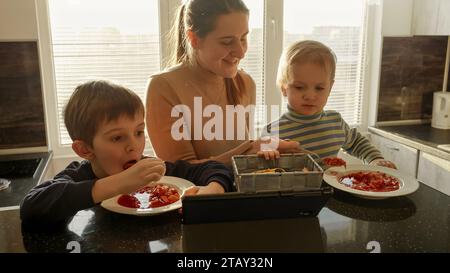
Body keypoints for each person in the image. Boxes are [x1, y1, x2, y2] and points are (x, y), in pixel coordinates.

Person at [20, 80, 234, 227]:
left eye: (139, 132)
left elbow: (215, 169)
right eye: (117, 137)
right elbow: (31, 207)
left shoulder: (150, 170)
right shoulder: (77, 176)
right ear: (85, 149)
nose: (134, 146)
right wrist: (121, 183)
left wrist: (213, 189)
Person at [146, 0, 300, 165]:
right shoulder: (163, 87)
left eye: (243, 38)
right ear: (194, 39)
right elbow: (180, 172)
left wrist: (267, 151)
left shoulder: (246, 83)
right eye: (227, 42)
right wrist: (248, 151)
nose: (241, 53)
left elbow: (242, 163)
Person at [262, 40, 396, 168]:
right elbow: (261, 165)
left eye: (319, 88)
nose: (310, 96)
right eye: (299, 87)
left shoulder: (335, 122)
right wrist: (267, 155)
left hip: (333, 189)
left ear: (330, 88)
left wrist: (375, 159)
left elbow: (356, 143)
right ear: (283, 89)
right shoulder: (272, 131)